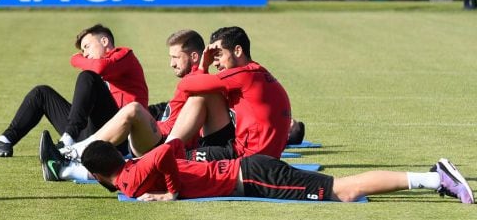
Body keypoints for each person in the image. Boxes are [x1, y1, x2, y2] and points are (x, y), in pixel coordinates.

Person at [79, 139, 474, 204]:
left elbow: (166, 152)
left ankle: (437, 177)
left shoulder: (129, 179)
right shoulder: (129, 170)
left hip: (250, 176)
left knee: (345, 191)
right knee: (345, 190)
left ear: (99, 176)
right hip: (249, 170)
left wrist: (170, 192)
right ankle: (433, 178)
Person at [0, 24, 148, 159]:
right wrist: (77, 58)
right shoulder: (97, 63)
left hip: (121, 137)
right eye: (82, 50)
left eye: (87, 46)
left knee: (88, 77)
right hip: (93, 133)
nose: (84, 53)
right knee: (41, 93)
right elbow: (78, 60)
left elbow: (99, 67)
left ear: (104, 41)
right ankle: (4, 141)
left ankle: (67, 141)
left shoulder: (125, 56)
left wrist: (76, 60)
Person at [48, 29, 206, 180]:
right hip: (152, 137)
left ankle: (72, 152)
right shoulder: (191, 82)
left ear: (193, 56)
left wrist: (206, 65)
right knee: (42, 93)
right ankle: (67, 166)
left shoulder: (202, 84)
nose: (171, 63)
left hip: (162, 143)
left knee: (133, 109)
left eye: (176, 57)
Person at [163, 26, 291, 161]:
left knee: (176, 158)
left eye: (218, 55)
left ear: (237, 51)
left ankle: (164, 152)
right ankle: (167, 150)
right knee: (209, 95)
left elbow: (187, 84)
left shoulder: (246, 75)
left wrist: (202, 66)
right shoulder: (254, 74)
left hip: (249, 159)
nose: (215, 62)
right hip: (251, 152)